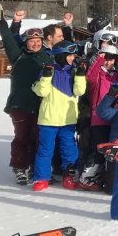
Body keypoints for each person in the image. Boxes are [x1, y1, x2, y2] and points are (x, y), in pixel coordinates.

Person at [0, 11, 52, 185]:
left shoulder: (48, 57)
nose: (35, 44)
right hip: (20, 105)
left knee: (38, 138)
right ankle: (19, 167)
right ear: (25, 42)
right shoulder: (18, 56)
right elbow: (8, 38)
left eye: (38, 41)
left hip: (41, 106)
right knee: (22, 137)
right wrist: (2, 21)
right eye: (32, 41)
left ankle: (35, 167)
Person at [31, 43, 87, 191]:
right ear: (61, 56)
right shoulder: (48, 70)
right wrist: (46, 77)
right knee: (45, 150)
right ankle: (41, 178)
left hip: (68, 119)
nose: (72, 58)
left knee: (69, 150)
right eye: (69, 55)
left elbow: (80, 91)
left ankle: (69, 176)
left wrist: (80, 75)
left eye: (73, 55)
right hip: (48, 119)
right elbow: (41, 92)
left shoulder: (74, 71)